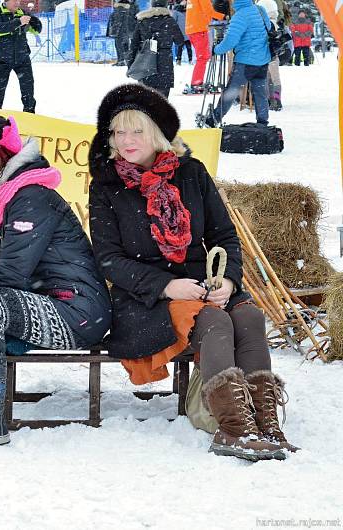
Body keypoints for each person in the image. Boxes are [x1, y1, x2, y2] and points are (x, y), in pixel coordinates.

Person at [87, 84, 297, 461]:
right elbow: (108, 259)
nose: (127, 139)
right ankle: (233, 430)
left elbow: (224, 235)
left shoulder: (191, 173)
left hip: (203, 285)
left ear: (157, 133)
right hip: (144, 297)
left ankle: (265, 422)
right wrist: (168, 286)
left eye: (137, 130)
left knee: (248, 315)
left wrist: (229, 280)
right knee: (215, 322)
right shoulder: (106, 184)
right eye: (119, 132)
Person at [0, 113, 111, 450]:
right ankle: (1, 361)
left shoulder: (29, 196)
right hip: (56, 300)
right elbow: (7, 273)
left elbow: (12, 275)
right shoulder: (10, 194)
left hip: (78, 313)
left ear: (5, 154)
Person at [204, 0, 272, 127]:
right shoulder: (259, 10)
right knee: (260, 93)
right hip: (262, 60)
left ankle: (213, 119)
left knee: (231, 91)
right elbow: (269, 28)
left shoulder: (240, 16)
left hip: (246, 61)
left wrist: (216, 49)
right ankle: (263, 122)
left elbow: (230, 41)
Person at [0, 0, 42, 113]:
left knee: (28, 90)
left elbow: (37, 30)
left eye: (18, 0)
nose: (17, 3)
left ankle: (29, 114)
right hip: (1, 60)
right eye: (14, 0)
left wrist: (33, 20)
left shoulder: (22, 13)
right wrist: (18, 22)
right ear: (6, 1)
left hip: (22, 59)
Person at [127, 0, 184, 97]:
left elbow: (134, 45)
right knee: (162, 101)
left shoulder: (143, 20)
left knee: (146, 100)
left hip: (146, 63)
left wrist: (130, 64)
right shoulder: (169, 21)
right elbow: (180, 41)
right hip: (165, 63)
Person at [184, 0, 225, 93]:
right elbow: (209, 12)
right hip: (199, 29)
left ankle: (197, 81)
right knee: (203, 57)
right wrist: (224, 16)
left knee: (202, 57)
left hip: (192, 28)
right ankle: (196, 83)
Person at [257, 0, 284, 109]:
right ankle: (276, 99)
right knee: (275, 78)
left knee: (267, 78)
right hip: (273, 55)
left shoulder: (262, 24)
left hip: (263, 55)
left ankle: (269, 99)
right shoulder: (277, 24)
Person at [107, 0, 138, 66]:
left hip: (119, 30)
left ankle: (121, 60)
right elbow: (136, 18)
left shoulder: (118, 7)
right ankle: (125, 60)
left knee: (119, 45)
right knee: (126, 45)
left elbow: (113, 19)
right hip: (128, 29)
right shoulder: (133, 6)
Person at [171, 0, 193, 64]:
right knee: (180, 47)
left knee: (188, 47)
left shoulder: (189, 9)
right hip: (180, 33)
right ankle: (178, 60)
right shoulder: (176, 11)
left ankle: (190, 60)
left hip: (188, 31)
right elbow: (174, 21)